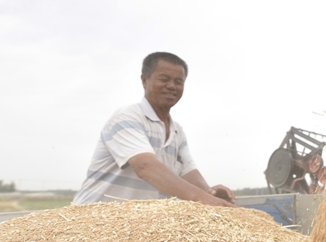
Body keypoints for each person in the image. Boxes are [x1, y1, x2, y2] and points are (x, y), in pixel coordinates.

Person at [73, 52, 235, 207]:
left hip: (135, 226)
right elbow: (144, 166)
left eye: (178, 82)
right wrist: (201, 198)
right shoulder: (127, 117)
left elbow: (188, 171)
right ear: (144, 80)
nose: (171, 86)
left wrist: (209, 192)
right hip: (96, 219)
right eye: (164, 79)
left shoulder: (177, 131)